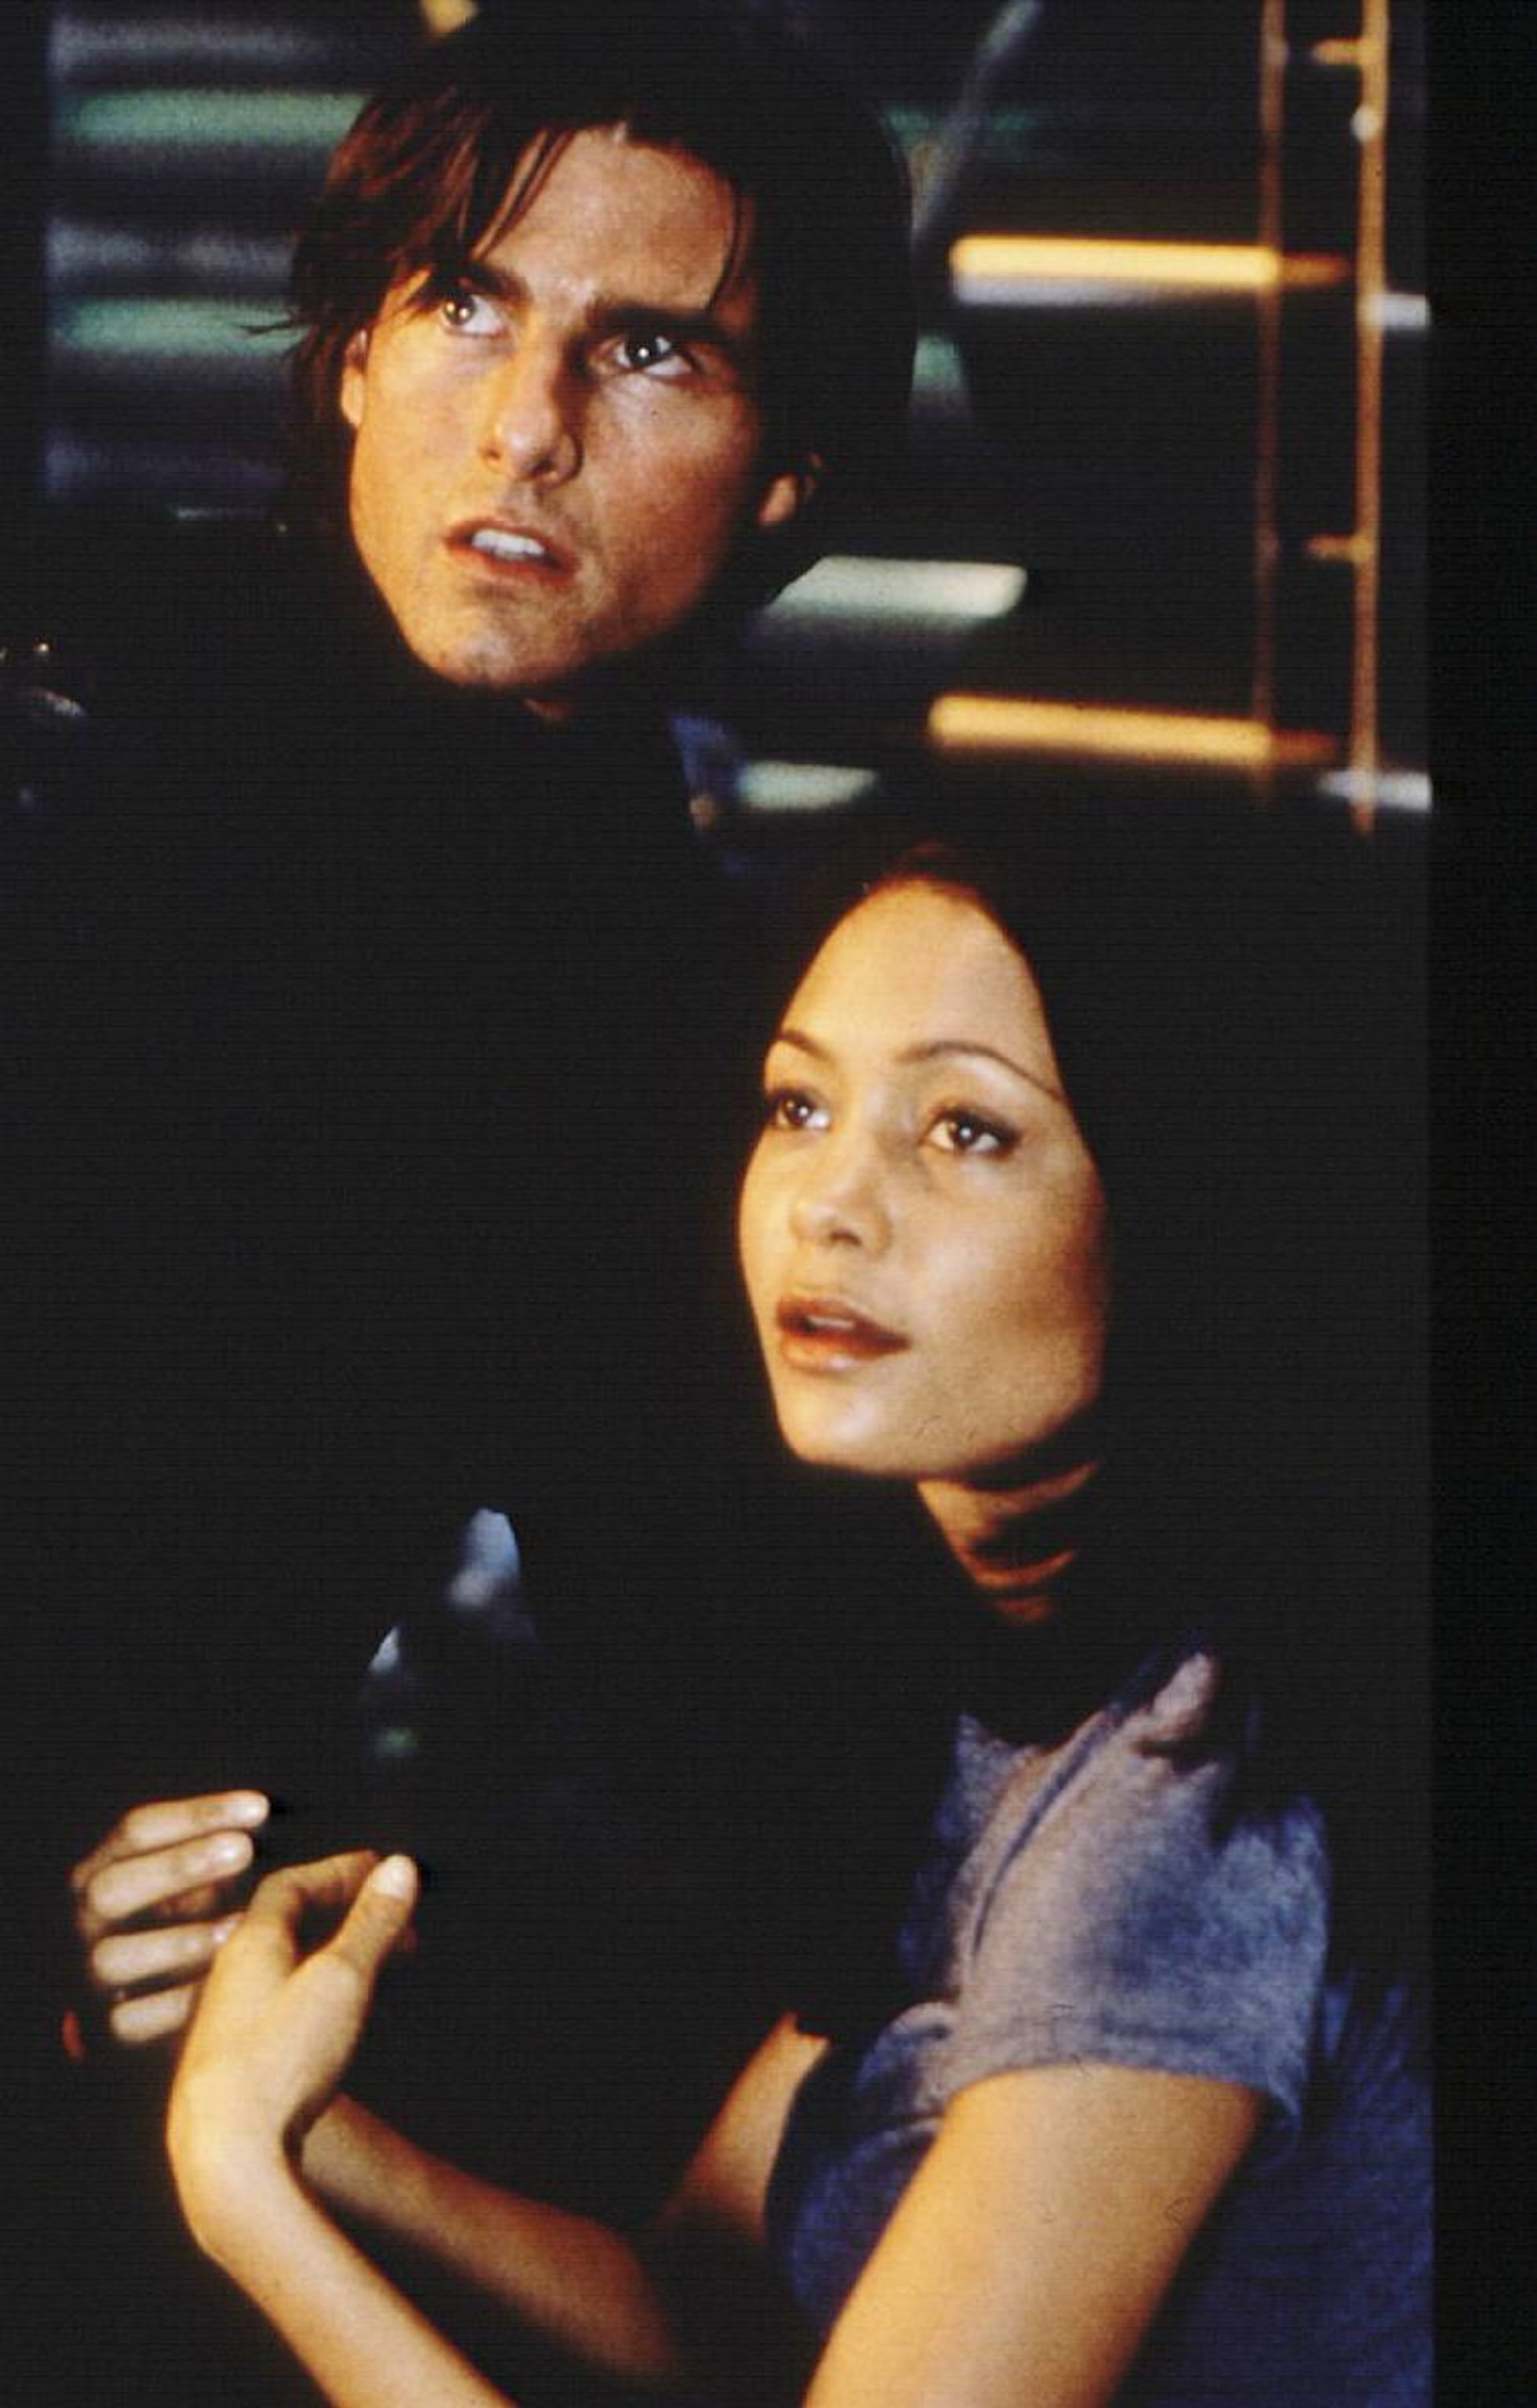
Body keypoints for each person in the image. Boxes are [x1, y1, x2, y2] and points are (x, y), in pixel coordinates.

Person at [6, 2, 915, 2378]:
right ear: (348, 361)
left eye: (651, 350)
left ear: (792, 478)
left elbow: (756, 1709)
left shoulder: (652, 1004)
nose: (526, 426)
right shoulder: (68, 737)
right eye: (463, 306)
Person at [157, 821, 1431, 2405]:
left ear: (1188, 1208)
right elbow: (708, 2320)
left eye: (964, 1129)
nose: (830, 1200)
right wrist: (299, 2123)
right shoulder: (995, 1699)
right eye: (799, 1105)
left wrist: (244, 2196)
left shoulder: (1187, 1812)